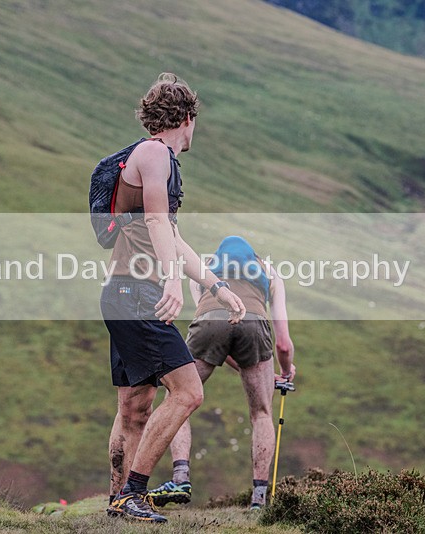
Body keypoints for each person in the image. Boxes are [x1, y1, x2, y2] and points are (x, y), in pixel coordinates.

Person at [101, 73, 246, 523]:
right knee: (188, 392)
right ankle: (134, 495)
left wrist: (215, 285)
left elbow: (173, 237)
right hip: (137, 294)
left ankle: (116, 501)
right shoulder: (154, 154)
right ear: (187, 118)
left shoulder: (149, 158)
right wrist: (171, 282)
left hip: (123, 293)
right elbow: (159, 226)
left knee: (134, 406)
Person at [148, 236, 296, 510]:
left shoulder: (203, 270)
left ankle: (180, 476)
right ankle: (258, 500)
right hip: (255, 327)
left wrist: (242, 365)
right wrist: (284, 372)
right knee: (261, 414)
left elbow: (219, 332)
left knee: (178, 398)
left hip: (209, 321)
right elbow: (283, 344)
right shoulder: (270, 272)